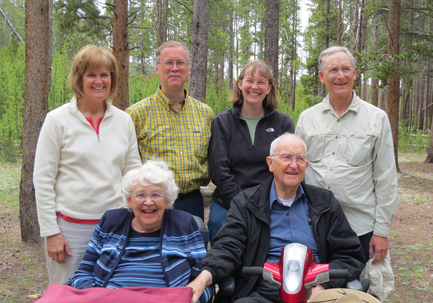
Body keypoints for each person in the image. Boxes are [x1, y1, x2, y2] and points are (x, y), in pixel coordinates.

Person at [187, 133, 365, 303]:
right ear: (271, 163)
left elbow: (350, 256)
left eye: (300, 159)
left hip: (314, 295)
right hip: (265, 292)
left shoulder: (325, 203)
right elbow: (228, 246)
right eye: (286, 157)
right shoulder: (247, 203)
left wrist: (324, 285)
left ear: (306, 166)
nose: (294, 165)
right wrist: (203, 278)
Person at [33, 45, 142, 284]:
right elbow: (42, 180)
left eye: (105, 74)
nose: (99, 81)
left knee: (111, 297)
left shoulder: (124, 121)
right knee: (68, 299)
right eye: (91, 74)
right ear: (79, 78)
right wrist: (51, 232)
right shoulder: (57, 120)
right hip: (70, 230)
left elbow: (133, 175)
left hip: (116, 226)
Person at [70, 160, 214, 303]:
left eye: (156, 194)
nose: (148, 202)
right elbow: (82, 273)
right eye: (140, 195)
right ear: (129, 200)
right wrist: (95, 297)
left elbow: (202, 282)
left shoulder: (184, 224)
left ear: (167, 200)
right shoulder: (111, 221)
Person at [295, 46, 398, 263]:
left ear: (354, 73)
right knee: (314, 291)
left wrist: (381, 232)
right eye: (333, 70)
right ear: (322, 77)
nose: (340, 76)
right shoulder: (307, 119)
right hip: (313, 225)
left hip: (359, 228)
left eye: (345, 69)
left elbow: (386, 179)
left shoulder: (376, 119)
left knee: (356, 293)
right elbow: (296, 173)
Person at [208, 60, 294, 243]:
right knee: (224, 265)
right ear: (240, 84)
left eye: (261, 82)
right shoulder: (223, 122)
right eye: (249, 81)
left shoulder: (282, 123)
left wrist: (262, 204)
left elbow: (286, 168)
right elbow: (219, 170)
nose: (255, 87)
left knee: (264, 266)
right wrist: (242, 204)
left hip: (271, 208)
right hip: (226, 208)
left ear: (269, 88)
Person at [126, 41, 214, 220]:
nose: (175, 68)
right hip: (150, 205)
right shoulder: (136, 114)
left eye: (180, 63)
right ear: (158, 69)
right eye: (168, 63)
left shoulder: (205, 114)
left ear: (189, 69)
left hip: (192, 202)